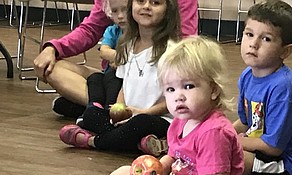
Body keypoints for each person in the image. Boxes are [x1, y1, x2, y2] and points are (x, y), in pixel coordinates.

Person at [27, 35, 244, 175]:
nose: (178, 97)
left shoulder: (214, 132)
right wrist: (157, 170)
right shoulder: (181, 122)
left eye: (188, 86)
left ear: (214, 90)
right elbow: (173, 155)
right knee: (122, 174)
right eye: (170, 89)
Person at [33, 0, 198, 118]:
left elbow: (186, 42)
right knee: (53, 68)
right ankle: (107, 109)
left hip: (157, 78)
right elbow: (90, 29)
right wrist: (53, 48)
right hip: (116, 76)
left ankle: (97, 109)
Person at [59, 0, 181, 156]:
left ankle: (92, 141)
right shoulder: (128, 45)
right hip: (129, 117)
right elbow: (124, 85)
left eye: (155, 3)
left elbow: (174, 98)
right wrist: (118, 109)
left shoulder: (172, 52)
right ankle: (141, 143)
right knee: (91, 114)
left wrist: (144, 112)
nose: (146, 6)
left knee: (140, 123)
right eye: (141, 1)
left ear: (167, 11)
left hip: (157, 118)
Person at [233, 0, 292, 175]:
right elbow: (246, 122)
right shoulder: (247, 75)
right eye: (249, 34)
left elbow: (274, 147)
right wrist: (222, 132)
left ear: (285, 51)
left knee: (225, 158)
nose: (253, 44)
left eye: (266, 39)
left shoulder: (284, 88)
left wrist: (233, 141)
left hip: (287, 164)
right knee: (214, 148)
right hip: (261, 147)